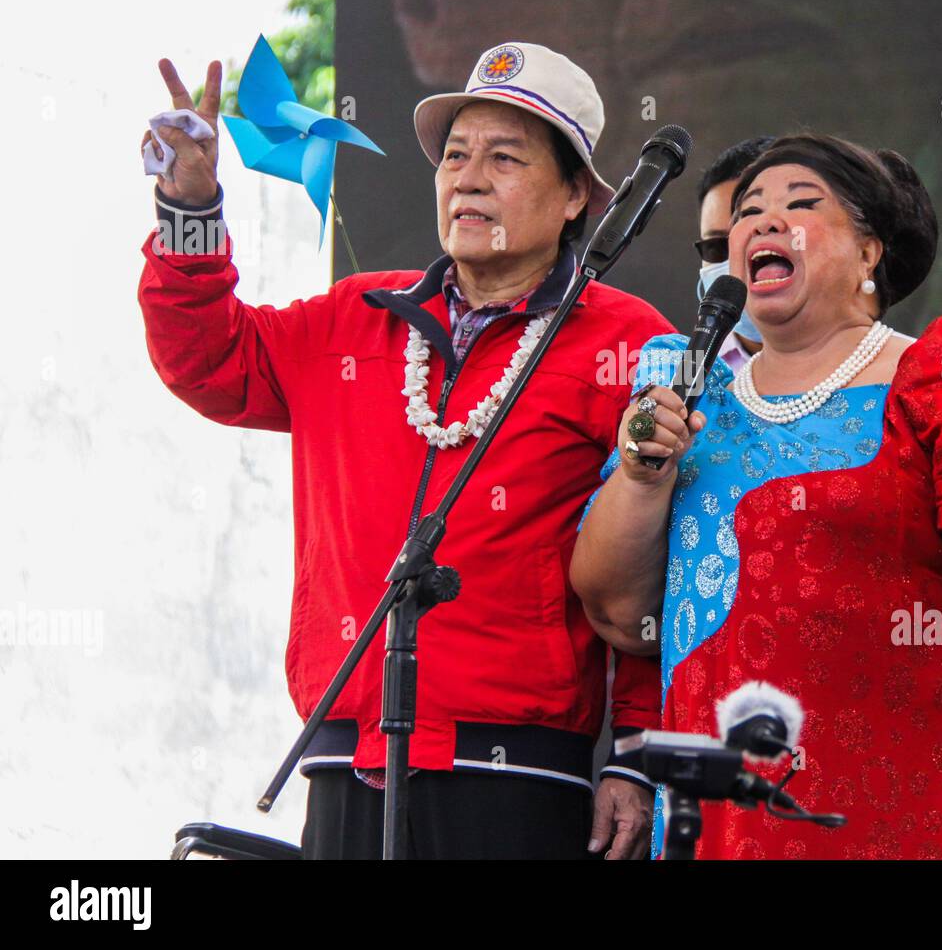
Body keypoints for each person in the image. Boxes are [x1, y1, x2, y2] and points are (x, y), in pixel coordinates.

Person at [139, 42, 671, 859]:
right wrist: (189, 207)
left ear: (574, 196)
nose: (469, 177)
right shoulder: (356, 315)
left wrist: (636, 749)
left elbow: (659, 562)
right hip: (347, 755)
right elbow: (209, 360)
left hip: (521, 775)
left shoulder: (628, 342)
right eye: (455, 155)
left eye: (504, 158)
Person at [571, 134, 942, 859]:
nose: (761, 221)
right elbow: (616, 612)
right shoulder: (688, 393)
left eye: (800, 204)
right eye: (749, 210)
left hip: (882, 816)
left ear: (868, 253)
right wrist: (640, 475)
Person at [695, 137, 774, 374]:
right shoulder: (679, 376)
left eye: (756, 240)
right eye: (718, 246)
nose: (736, 264)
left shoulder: (886, 373)